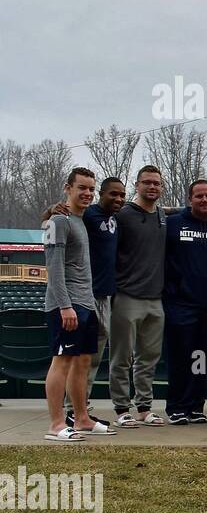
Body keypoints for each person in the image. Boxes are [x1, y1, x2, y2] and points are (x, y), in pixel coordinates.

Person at [41, 168, 114, 441]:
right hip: (67, 305)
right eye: (81, 187)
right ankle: (56, 424)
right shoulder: (57, 221)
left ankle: (81, 418)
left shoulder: (80, 220)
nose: (87, 193)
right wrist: (64, 306)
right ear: (67, 188)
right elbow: (54, 268)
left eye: (91, 189)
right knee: (62, 361)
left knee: (83, 362)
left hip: (86, 302)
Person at [162, 180, 207, 425]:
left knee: (201, 358)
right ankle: (176, 406)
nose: (204, 200)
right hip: (179, 304)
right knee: (180, 358)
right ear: (190, 199)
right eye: (199, 196)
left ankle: (196, 406)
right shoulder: (173, 223)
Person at [109, 165, 167, 427]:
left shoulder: (164, 217)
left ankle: (144, 407)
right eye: (147, 183)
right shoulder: (122, 215)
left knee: (149, 358)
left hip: (155, 299)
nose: (152, 187)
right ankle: (121, 409)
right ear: (137, 185)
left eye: (156, 183)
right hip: (127, 296)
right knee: (121, 358)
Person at [74, 178, 124, 425]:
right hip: (87, 294)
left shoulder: (116, 217)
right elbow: (59, 216)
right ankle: (72, 407)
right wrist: (51, 209)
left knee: (93, 356)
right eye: (113, 194)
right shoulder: (88, 214)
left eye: (122, 195)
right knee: (82, 354)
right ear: (101, 194)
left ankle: (81, 405)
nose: (118, 199)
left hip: (105, 295)